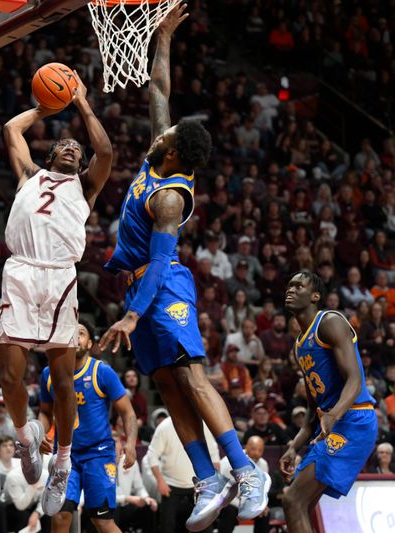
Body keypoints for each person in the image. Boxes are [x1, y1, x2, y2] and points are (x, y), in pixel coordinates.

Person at [99, 7, 268, 530]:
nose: (156, 137)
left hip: (162, 284)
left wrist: (131, 316)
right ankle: (208, 478)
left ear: (176, 156)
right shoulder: (159, 156)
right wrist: (164, 37)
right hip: (137, 289)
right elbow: (158, 89)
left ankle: (245, 471)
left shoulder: (171, 197)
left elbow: (157, 263)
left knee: (192, 377)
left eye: (163, 141)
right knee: (167, 387)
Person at [0, 62, 113, 516]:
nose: (70, 148)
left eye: (74, 147)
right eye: (62, 145)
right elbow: (11, 127)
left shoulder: (85, 186)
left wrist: (80, 100)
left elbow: (105, 152)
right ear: (50, 156)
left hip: (60, 276)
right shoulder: (29, 175)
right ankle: (26, 437)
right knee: (10, 375)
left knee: (62, 381)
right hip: (21, 271)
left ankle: (62, 459)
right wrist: (48, 106)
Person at [280, 271, 378, 533]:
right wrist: (294, 446)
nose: (291, 289)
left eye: (299, 286)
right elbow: (314, 410)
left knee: (292, 501)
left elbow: (355, 380)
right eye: (289, 285)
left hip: (354, 420)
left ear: (315, 296)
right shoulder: (299, 346)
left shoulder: (330, 321)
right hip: (332, 423)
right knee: (302, 506)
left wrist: (333, 415)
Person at [39, 323, 138, 530]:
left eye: (81, 333)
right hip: (66, 455)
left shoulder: (102, 372)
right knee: (59, 515)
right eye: (72, 333)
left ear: (90, 343)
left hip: (98, 453)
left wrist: (130, 443)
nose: (76, 337)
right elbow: (46, 413)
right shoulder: (49, 374)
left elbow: (128, 412)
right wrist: (40, 433)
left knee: (102, 521)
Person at [146, 416, 220, 532]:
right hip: (170, 485)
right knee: (167, 526)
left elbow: (214, 455)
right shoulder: (164, 426)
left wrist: (214, 483)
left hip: (199, 485)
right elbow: (152, 455)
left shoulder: (202, 425)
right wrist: (160, 481)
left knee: (205, 526)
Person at [218, 436, 269, 533]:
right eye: (253, 449)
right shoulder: (230, 460)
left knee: (264, 513)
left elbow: (261, 491)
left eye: (260, 450)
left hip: (248, 502)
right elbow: (223, 491)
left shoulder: (263, 464)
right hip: (229, 500)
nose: (256, 453)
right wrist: (242, 505)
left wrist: (261, 506)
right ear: (246, 446)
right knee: (229, 511)